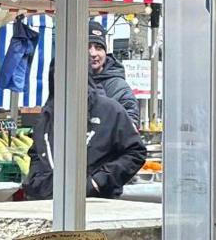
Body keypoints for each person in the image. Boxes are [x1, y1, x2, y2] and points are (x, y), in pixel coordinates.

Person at [20, 85, 149, 202]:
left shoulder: (110, 110)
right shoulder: (49, 112)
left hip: (96, 204)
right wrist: (37, 180)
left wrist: (98, 182)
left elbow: (135, 152)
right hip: (48, 203)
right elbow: (37, 151)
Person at [89, 36, 139, 124]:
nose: (93, 53)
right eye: (87, 47)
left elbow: (130, 122)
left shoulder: (119, 86)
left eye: (98, 48)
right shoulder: (65, 82)